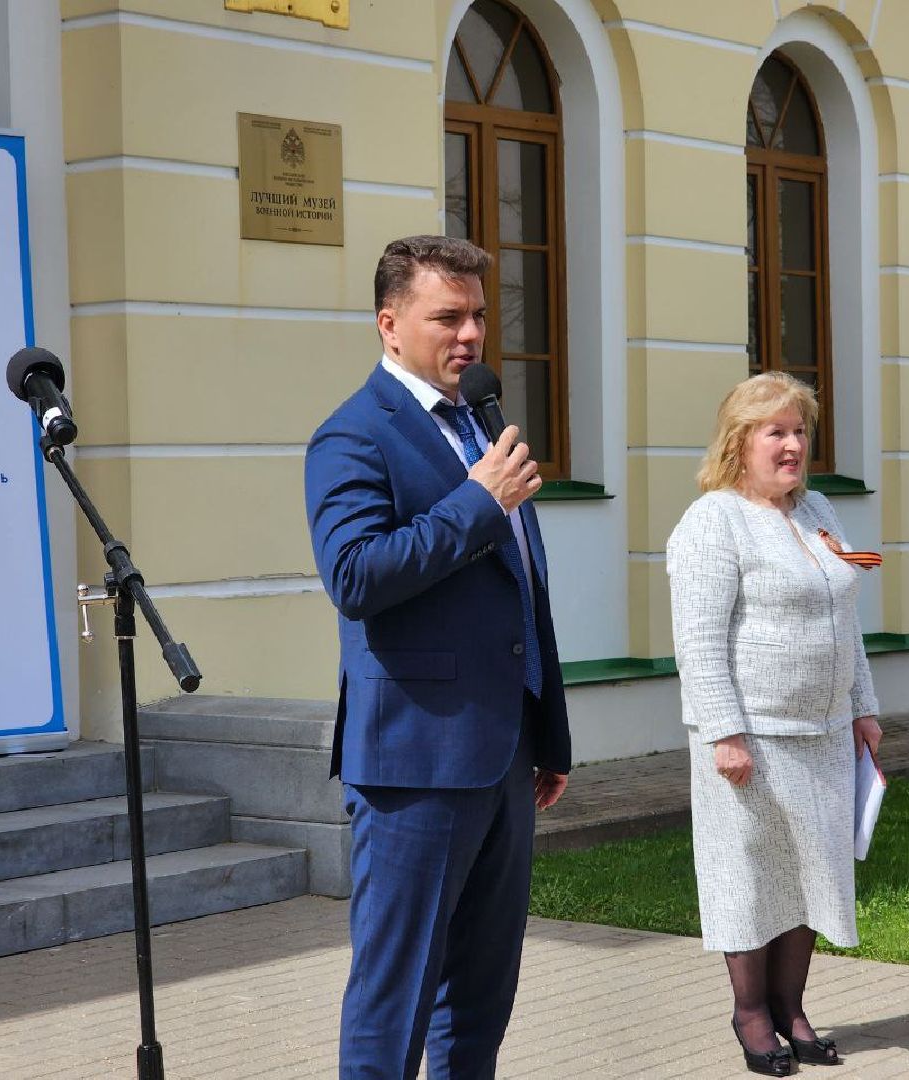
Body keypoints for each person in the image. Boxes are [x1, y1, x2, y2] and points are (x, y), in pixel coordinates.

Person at [305, 234, 571, 1079]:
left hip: (505, 755)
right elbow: (355, 575)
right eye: (447, 316)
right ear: (389, 324)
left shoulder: (481, 425)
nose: (470, 336)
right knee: (396, 1003)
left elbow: (526, 590)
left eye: (480, 316)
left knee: (481, 1000)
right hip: (415, 763)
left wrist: (549, 730)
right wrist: (476, 504)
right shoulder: (352, 436)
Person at [666, 372, 883, 1076]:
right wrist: (722, 732)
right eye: (775, 432)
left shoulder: (817, 509)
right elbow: (697, 638)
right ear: (739, 442)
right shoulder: (713, 521)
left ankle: (793, 1008)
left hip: (820, 734)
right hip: (749, 739)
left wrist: (863, 707)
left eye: (799, 432)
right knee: (750, 877)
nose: (792, 446)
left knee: (811, 875)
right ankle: (752, 1013)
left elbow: (844, 617)